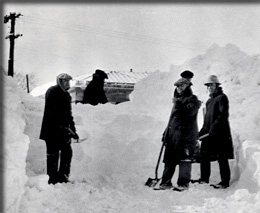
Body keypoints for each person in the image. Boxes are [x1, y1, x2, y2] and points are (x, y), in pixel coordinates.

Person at [159, 78, 201, 191]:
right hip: (174, 136)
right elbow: (173, 118)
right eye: (177, 86)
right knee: (169, 159)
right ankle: (165, 182)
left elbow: (189, 112)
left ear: (188, 86)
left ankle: (183, 184)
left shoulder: (193, 99)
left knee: (184, 160)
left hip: (186, 136)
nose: (179, 88)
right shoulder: (178, 100)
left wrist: (178, 104)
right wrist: (166, 133)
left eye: (181, 86)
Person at [194, 75, 234, 189]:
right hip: (210, 133)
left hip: (221, 133)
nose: (210, 87)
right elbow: (207, 120)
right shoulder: (209, 101)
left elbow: (223, 116)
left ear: (217, 85)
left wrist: (214, 129)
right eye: (208, 85)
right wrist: (201, 133)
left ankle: (225, 182)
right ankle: (204, 178)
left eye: (212, 85)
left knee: (222, 157)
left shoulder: (222, 98)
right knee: (204, 154)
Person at [40, 73, 79, 184]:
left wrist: (73, 131)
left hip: (64, 131)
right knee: (53, 154)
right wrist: (61, 124)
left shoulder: (67, 95)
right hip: (52, 130)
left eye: (69, 81)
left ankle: (63, 176)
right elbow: (51, 111)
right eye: (65, 81)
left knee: (67, 152)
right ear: (59, 81)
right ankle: (52, 178)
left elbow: (69, 115)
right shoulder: (52, 91)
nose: (68, 83)